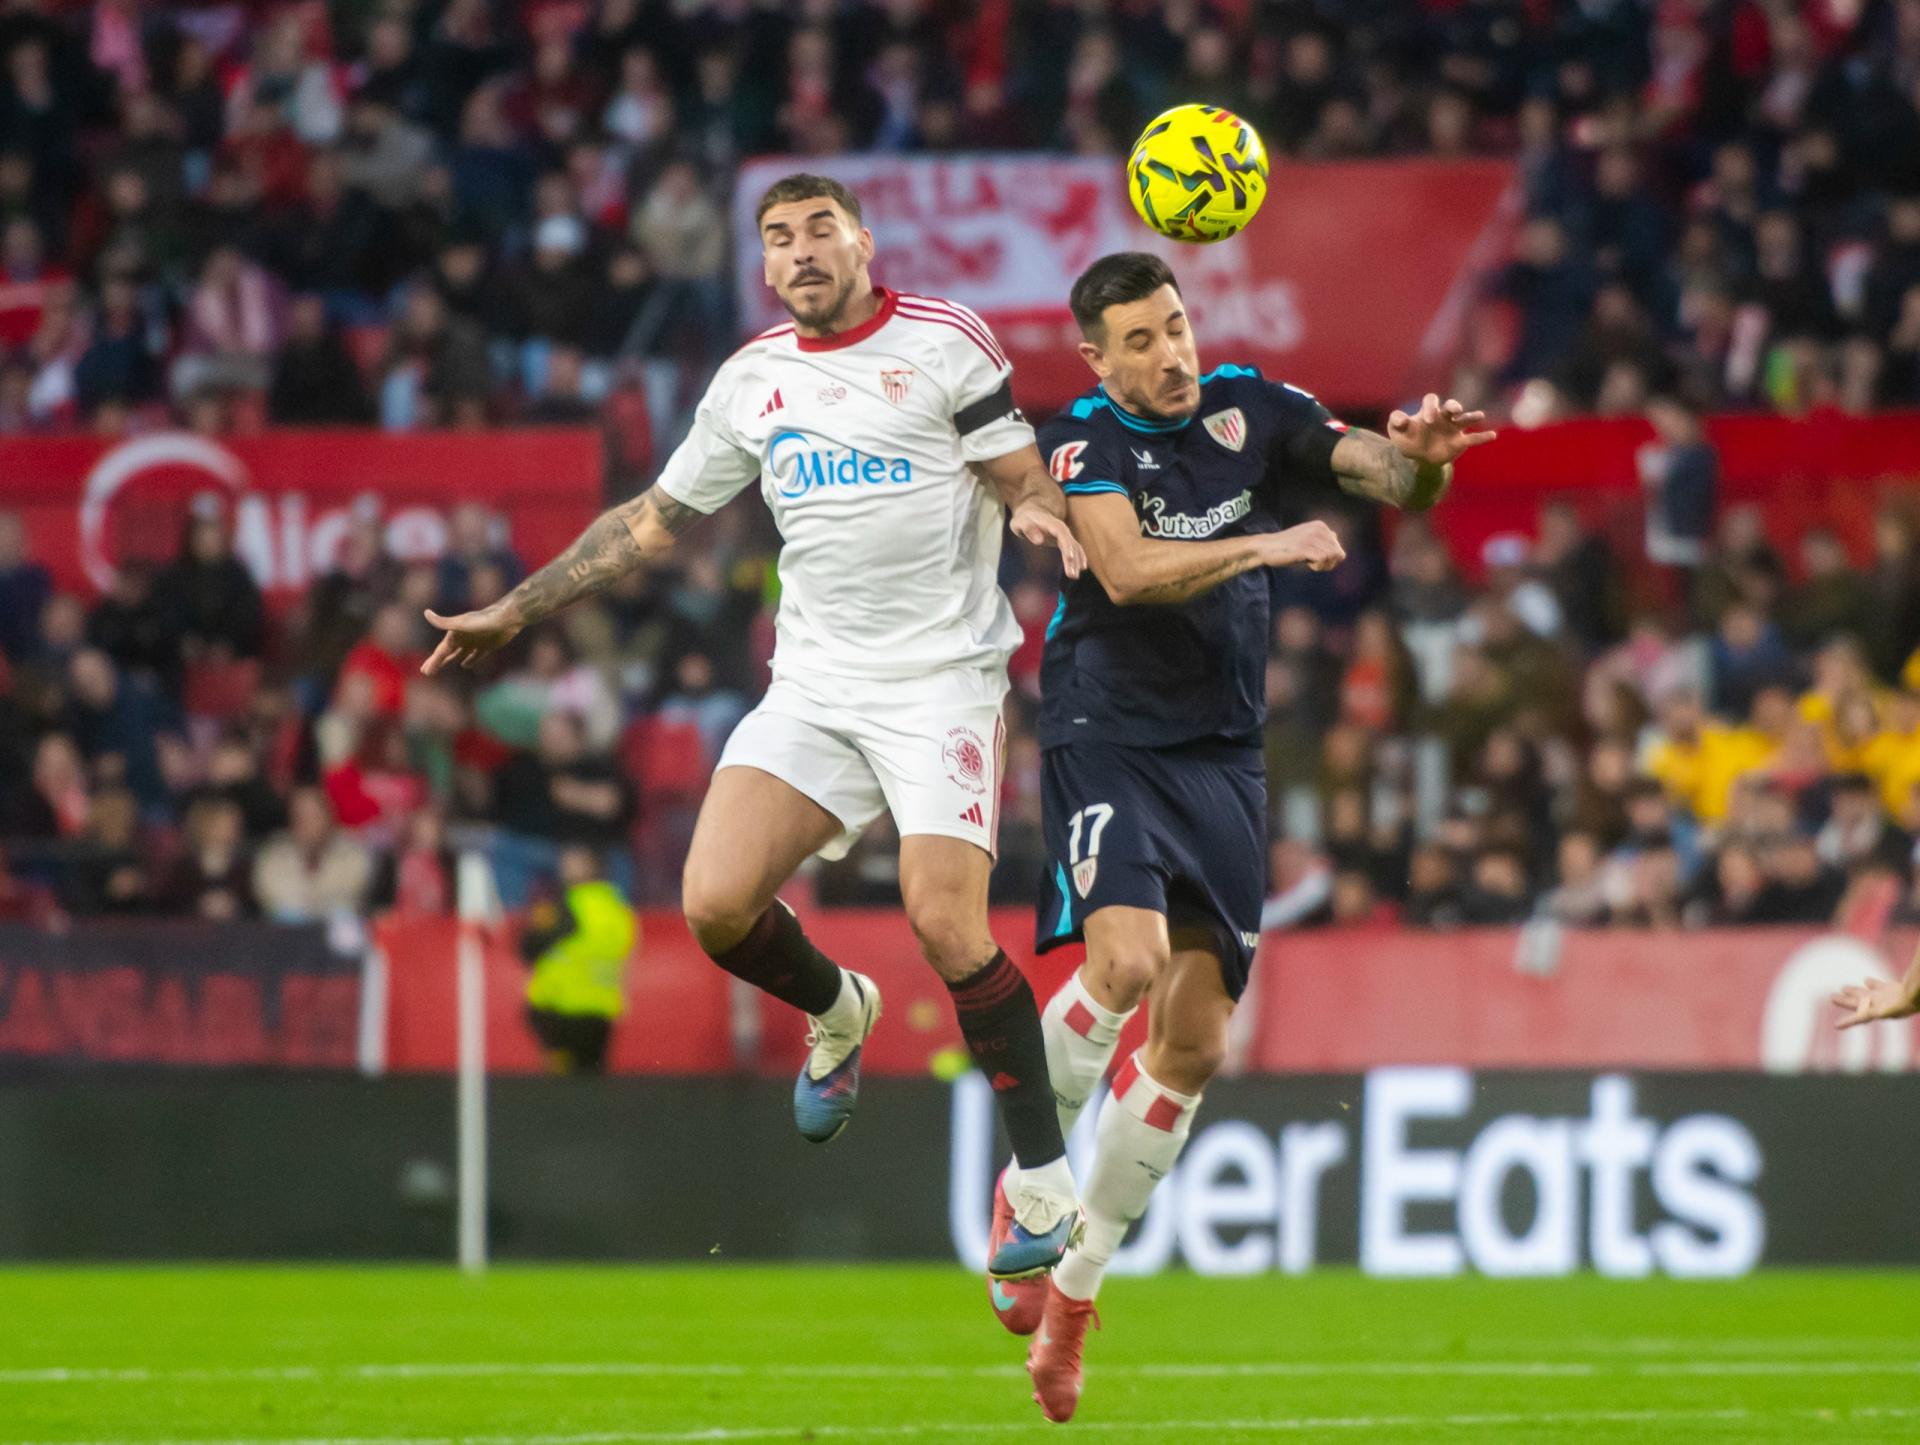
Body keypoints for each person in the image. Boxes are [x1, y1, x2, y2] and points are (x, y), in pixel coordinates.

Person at [420, 173, 1088, 1281]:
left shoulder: (945, 341)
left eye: (819, 228)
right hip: (817, 687)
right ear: (764, 267)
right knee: (715, 903)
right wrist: (516, 607)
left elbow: (1016, 466)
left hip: (941, 683)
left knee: (946, 922)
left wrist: (1029, 504)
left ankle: (1045, 1183)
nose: (800, 250)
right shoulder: (751, 382)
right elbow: (648, 523)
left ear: (863, 241)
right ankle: (841, 1007)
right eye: (778, 238)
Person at [1011, 252, 1494, 1421]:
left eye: (1176, 327)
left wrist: (1419, 464)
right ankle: (1030, 1181)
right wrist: (1270, 545)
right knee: (1119, 966)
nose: (1170, 354)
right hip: (1108, 730)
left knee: (1195, 1043)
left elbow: (1381, 475)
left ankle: (1077, 1288)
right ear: (1097, 357)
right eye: (1140, 340)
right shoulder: (1083, 444)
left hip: (1224, 751)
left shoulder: (1252, 407)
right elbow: (1123, 571)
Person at [519, 845, 638, 1073]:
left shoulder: (568, 905)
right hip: (602, 1009)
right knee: (592, 1078)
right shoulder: (619, 909)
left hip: (560, 1008)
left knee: (563, 1085)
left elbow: (529, 946)